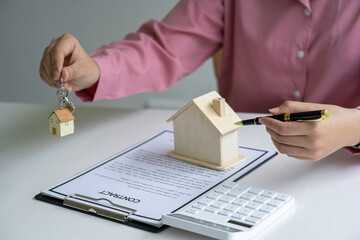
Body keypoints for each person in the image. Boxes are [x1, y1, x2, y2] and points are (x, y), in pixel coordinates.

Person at [39, 0, 360, 161]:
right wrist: (95, 69)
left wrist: (352, 128)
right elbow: (164, 47)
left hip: (343, 170)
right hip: (240, 161)